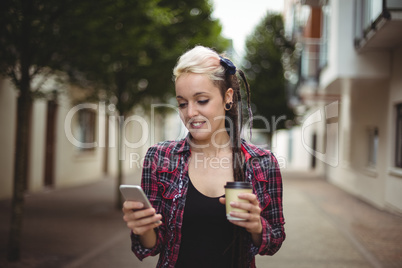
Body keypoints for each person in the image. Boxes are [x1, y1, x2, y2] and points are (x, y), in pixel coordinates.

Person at [122, 45, 285, 268]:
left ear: (227, 98)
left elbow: (274, 240)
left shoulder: (261, 163)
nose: (190, 113)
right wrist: (144, 228)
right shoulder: (160, 158)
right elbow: (153, 246)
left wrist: (256, 225)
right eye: (182, 103)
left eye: (201, 100)